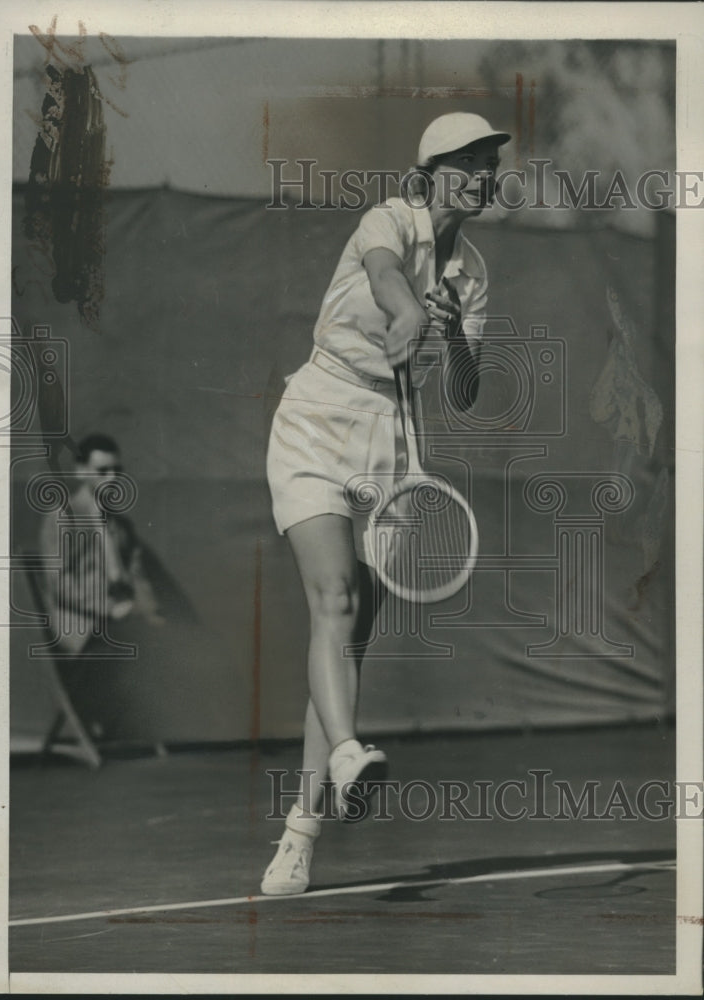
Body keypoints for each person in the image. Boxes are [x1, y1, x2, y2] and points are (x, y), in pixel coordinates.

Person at [262, 112, 511, 895]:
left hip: (391, 439)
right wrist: (409, 313)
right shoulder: (387, 219)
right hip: (316, 413)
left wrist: (454, 337)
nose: (481, 175)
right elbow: (383, 276)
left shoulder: (471, 272)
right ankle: (343, 756)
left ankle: (301, 831)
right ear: (430, 170)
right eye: (467, 162)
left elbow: (466, 395)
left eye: (488, 164)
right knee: (331, 597)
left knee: (349, 636)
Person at [38, 432, 164, 655]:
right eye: (103, 471)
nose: (113, 477)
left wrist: (149, 611)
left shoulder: (122, 526)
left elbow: (137, 575)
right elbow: (59, 584)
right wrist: (110, 608)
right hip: (80, 629)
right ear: (81, 471)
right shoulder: (63, 517)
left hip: (123, 624)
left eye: (117, 470)